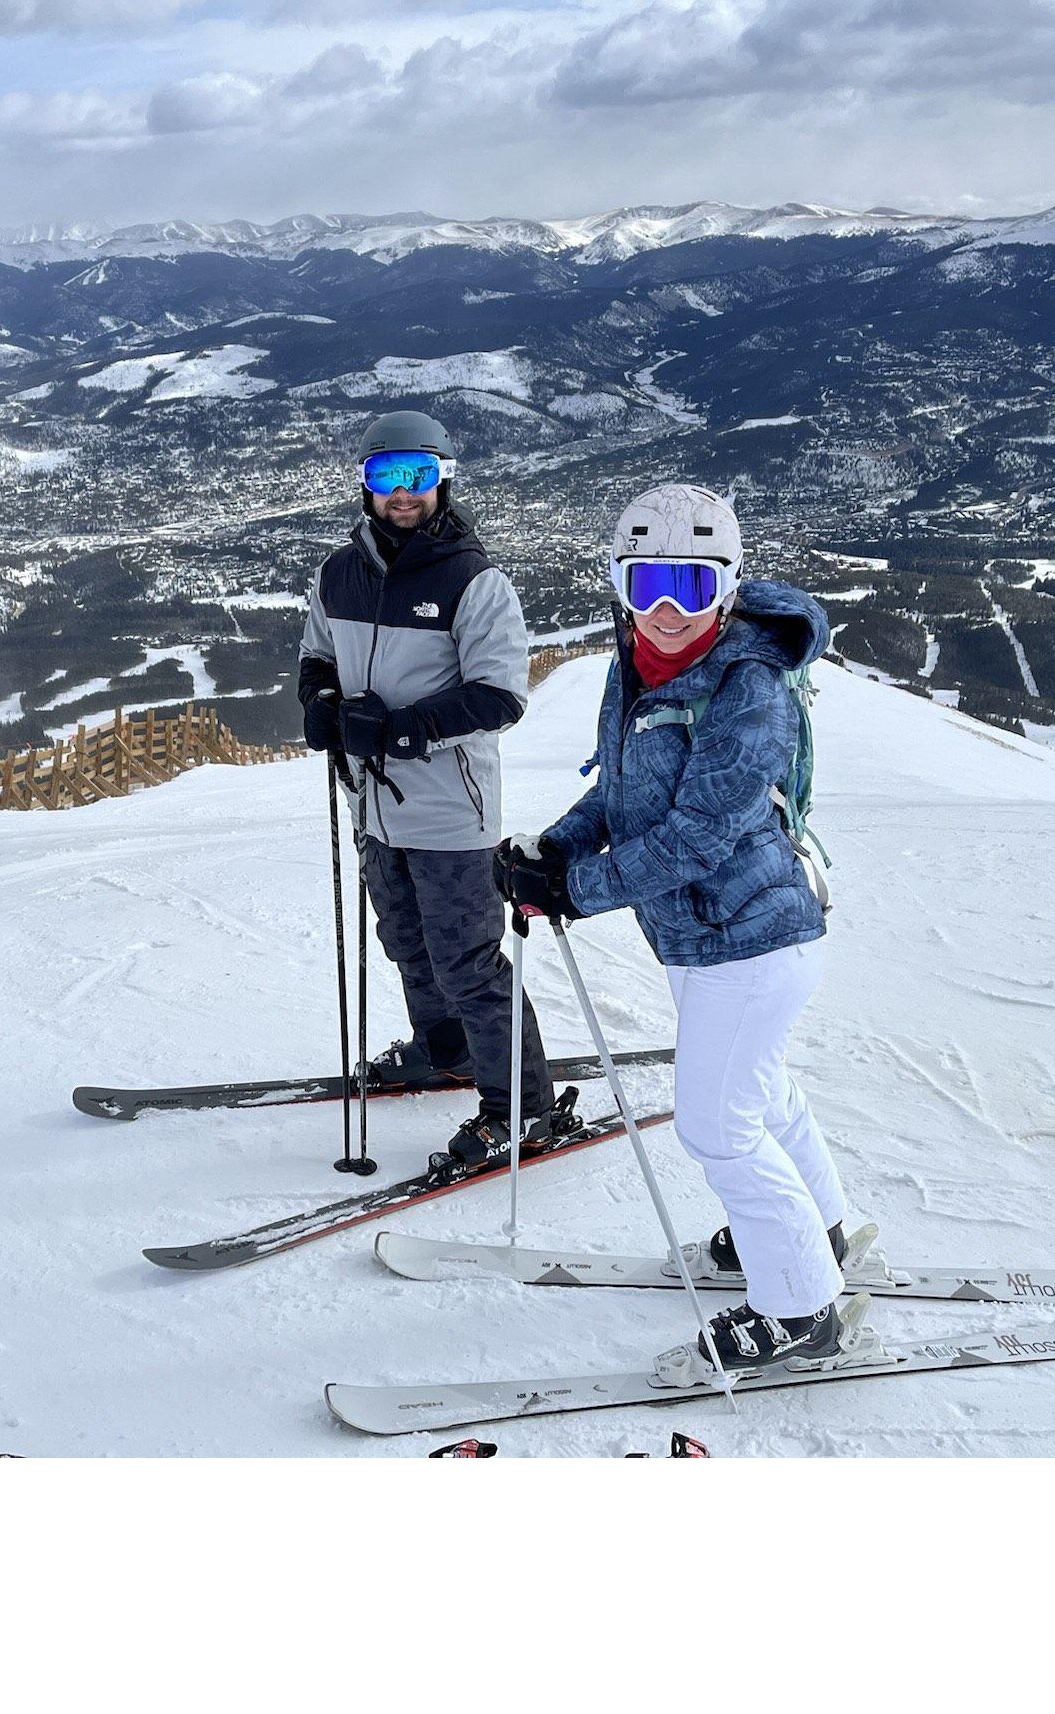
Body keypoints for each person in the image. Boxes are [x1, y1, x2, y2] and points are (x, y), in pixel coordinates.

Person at [493, 483, 850, 1375]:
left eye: (688, 589)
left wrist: (575, 889)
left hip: (753, 938)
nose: (662, 610)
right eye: (645, 581)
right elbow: (621, 791)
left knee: (717, 1127)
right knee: (758, 1096)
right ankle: (820, 1237)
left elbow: (696, 837)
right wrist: (553, 847)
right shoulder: (637, 662)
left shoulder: (749, 687)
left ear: (726, 589)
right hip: (709, 938)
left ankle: (803, 1309)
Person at [298, 409, 568, 1169]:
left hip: (451, 810)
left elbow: (499, 697)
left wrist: (396, 730)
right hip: (373, 805)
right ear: (365, 486)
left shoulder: (474, 581)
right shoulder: (338, 573)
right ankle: (445, 1052)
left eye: (417, 474)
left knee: (467, 960)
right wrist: (321, 706)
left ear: (443, 479)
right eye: (386, 476)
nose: (402, 492)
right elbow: (316, 658)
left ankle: (523, 1107)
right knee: (406, 944)